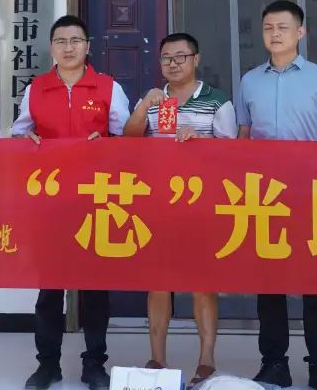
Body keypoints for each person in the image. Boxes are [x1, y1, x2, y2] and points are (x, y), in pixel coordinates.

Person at [14, 15, 130, 390]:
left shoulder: (109, 87)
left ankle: (94, 363)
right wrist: (26, 141)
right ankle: (48, 364)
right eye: (61, 41)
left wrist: (107, 144)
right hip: (50, 202)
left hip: (96, 199)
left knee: (94, 287)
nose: (68, 48)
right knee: (50, 289)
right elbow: (18, 135)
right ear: (52, 48)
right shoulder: (36, 90)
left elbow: (129, 140)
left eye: (75, 40)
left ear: (87, 46)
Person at [235, 0, 317, 390]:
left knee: (315, 285)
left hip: (310, 193)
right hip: (264, 196)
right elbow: (244, 137)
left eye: (282, 27)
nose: (274, 34)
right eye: (268, 27)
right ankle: (274, 363)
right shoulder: (250, 81)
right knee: (270, 285)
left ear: (300, 32)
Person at [123, 32, 237, 387]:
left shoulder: (217, 101)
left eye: (180, 57)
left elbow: (234, 154)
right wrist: (143, 106)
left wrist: (201, 142)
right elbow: (128, 141)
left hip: (202, 205)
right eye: (166, 58)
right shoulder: (154, 99)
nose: (173, 64)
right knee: (158, 282)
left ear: (196, 59)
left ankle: (206, 360)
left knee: (202, 284)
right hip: (158, 204)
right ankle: (157, 359)